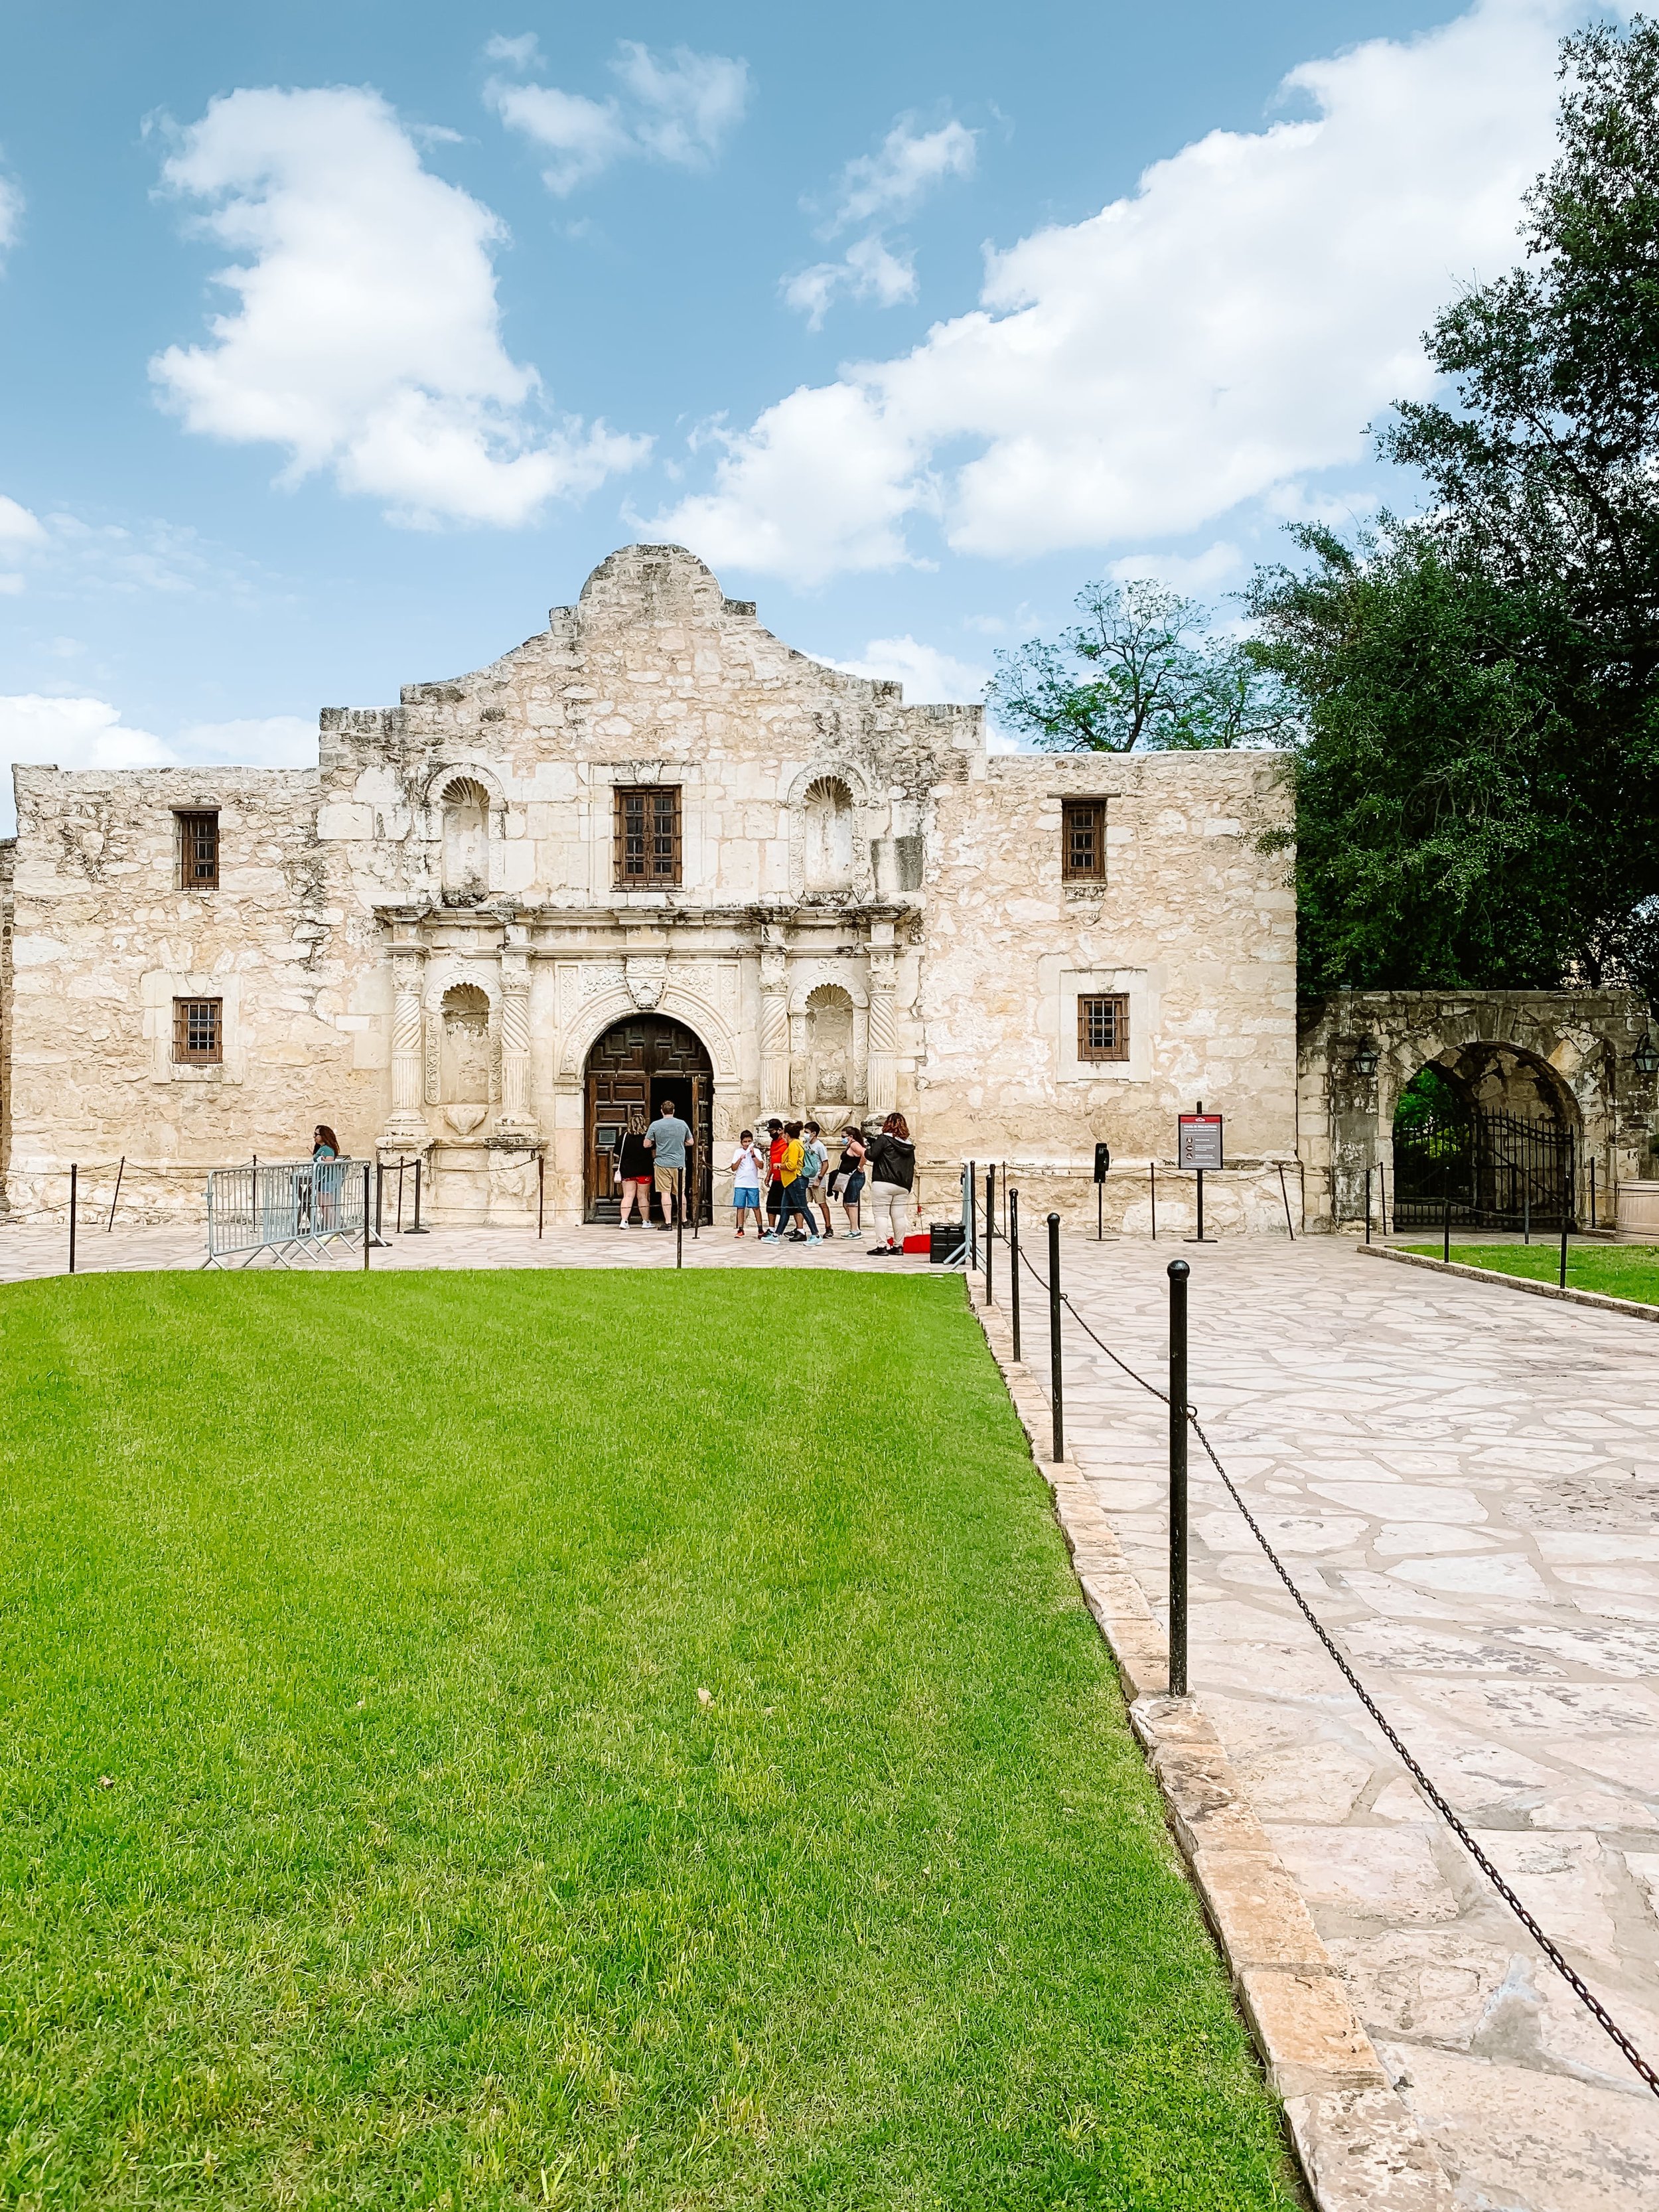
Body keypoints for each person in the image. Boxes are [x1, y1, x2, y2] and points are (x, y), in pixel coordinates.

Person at [865, 1112, 916, 1256]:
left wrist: (869, 1147)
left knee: (881, 1215)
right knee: (899, 1216)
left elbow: (871, 1155)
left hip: (883, 1181)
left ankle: (882, 1246)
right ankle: (898, 1246)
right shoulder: (909, 1145)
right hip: (902, 1185)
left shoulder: (884, 1139)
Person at [764, 1121, 820, 1244]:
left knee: (803, 1208)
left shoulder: (794, 1145)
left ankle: (815, 1235)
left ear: (788, 1135)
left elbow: (792, 1165)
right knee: (785, 1209)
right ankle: (776, 1235)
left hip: (796, 1180)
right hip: (790, 1182)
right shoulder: (796, 1144)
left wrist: (780, 1166)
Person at [645, 1096, 693, 1230]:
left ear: (662, 1111)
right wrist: (679, 1143)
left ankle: (668, 1223)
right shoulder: (682, 1124)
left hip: (662, 1163)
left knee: (665, 1193)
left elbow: (646, 1144)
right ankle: (684, 1220)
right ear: (674, 1111)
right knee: (680, 1193)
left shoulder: (655, 1125)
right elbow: (691, 1142)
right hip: (679, 1163)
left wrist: (659, 1143)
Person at [614, 1108, 654, 1228]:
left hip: (628, 1170)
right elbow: (654, 1154)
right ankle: (645, 1221)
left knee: (628, 1196)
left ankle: (624, 1221)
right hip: (644, 1170)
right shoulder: (647, 1138)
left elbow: (616, 1154)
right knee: (643, 1196)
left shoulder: (624, 1137)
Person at [831, 1124, 867, 1238]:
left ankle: (855, 1230)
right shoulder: (850, 1146)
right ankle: (853, 1227)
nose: (842, 1139)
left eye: (844, 1136)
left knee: (851, 1203)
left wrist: (860, 1167)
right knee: (847, 1203)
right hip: (848, 1178)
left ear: (851, 1137)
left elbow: (865, 1154)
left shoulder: (854, 1145)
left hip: (854, 1177)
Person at [729, 1128, 764, 1236]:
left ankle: (760, 1229)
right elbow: (733, 1168)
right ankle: (740, 1228)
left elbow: (761, 1166)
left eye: (749, 1141)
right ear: (741, 1142)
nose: (747, 1144)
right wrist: (740, 1159)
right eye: (745, 1141)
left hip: (752, 1184)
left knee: (756, 1207)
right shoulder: (738, 1152)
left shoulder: (757, 1151)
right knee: (740, 1207)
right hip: (740, 1183)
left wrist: (753, 1155)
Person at [801, 1121, 831, 1237]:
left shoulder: (820, 1146)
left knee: (822, 1204)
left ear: (814, 1133)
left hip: (817, 1179)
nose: (806, 1134)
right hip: (806, 1179)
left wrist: (819, 1178)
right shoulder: (805, 1144)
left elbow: (826, 1163)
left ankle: (828, 1227)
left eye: (807, 1132)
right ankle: (801, 1228)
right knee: (803, 1204)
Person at [763, 1118, 786, 1229]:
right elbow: (772, 1161)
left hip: (786, 1179)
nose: (770, 1134)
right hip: (776, 1179)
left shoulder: (786, 1143)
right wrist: (768, 1176)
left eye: (772, 1131)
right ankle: (771, 1228)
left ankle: (799, 1229)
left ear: (780, 1130)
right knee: (771, 1204)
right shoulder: (773, 1143)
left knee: (792, 1206)